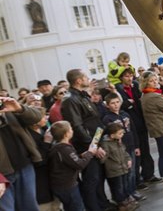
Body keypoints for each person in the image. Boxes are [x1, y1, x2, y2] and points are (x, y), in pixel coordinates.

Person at [61, 69, 110, 211]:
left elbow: (94, 120)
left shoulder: (82, 96)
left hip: (96, 140)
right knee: (91, 179)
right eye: (86, 77)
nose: (89, 79)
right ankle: (94, 208)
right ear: (79, 80)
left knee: (99, 177)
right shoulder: (70, 99)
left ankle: (103, 204)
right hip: (86, 146)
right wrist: (93, 146)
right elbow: (77, 126)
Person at [114, 68, 161, 190]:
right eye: (126, 76)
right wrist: (126, 103)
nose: (129, 78)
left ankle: (149, 174)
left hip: (141, 122)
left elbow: (140, 100)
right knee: (135, 151)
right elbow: (120, 105)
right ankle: (137, 179)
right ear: (121, 78)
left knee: (145, 149)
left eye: (131, 76)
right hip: (130, 125)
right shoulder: (118, 89)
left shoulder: (135, 86)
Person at [0, 96, 42, 211]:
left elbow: (37, 117)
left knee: (30, 207)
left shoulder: (6, 105)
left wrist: (19, 108)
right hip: (2, 175)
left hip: (24, 166)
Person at [101, 93, 145, 202]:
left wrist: (137, 146)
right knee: (124, 174)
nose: (116, 105)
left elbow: (133, 130)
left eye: (117, 102)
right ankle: (125, 195)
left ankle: (133, 191)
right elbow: (108, 135)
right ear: (107, 105)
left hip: (131, 146)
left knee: (133, 170)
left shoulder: (125, 114)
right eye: (112, 103)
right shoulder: (107, 119)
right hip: (119, 149)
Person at [47, 120, 96, 211]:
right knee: (77, 207)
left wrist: (82, 155)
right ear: (66, 134)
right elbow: (80, 164)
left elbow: (68, 160)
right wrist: (90, 153)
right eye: (71, 129)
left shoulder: (56, 146)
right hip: (67, 186)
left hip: (60, 185)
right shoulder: (65, 149)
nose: (72, 130)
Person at [100, 123, 138, 211]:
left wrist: (128, 159)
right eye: (120, 133)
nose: (122, 135)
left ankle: (126, 200)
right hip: (114, 171)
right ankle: (122, 203)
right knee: (118, 187)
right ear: (112, 135)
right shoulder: (106, 144)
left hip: (123, 168)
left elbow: (124, 152)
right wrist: (102, 154)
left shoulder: (118, 142)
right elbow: (103, 159)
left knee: (125, 185)